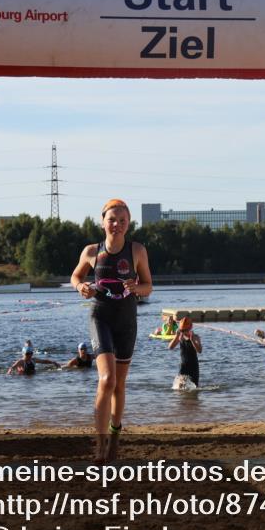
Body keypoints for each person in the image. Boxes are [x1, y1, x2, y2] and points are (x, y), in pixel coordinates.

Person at [71, 198, 154, 464]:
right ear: (102, 221)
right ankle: (100, 445)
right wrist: (80, 287)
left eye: (122, 220)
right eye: (112, 219)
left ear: (128, 224)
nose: (116, 224)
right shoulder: (91, 251)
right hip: (101, 316)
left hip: (127, 320)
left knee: (119, 384)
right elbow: (75, 277)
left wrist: (135, 287)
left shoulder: (137, 250)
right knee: (106, 380)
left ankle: (115, 437)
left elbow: (149, 286)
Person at [168, 316, 202, 389]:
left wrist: (192, 340)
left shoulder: (196, 337)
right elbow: (170, 347)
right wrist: (176, 336)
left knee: (195, 388)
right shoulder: (180, 337)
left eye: (185, 330)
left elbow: (199, 350)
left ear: (190, 328)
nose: (183, 332)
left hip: (193, 367)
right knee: (179, 388)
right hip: (183, 366)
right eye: (182, 330)